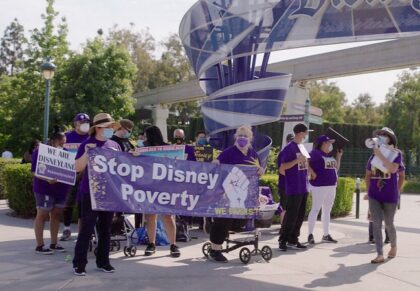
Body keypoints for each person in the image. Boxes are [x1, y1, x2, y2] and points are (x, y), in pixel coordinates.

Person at [72, 113, 121, 276]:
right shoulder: (86, 144)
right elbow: (77, 168)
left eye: (112, 127)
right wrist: (87, 153)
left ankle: (103, 262)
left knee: (106, 230)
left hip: (109, 194)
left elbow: (123, 167)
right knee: (86, 229)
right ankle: (79, 264)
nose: (111, 130)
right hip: (90, 193)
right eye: (108, 127)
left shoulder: (114, 144)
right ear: (98, 128)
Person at [209, 125, 264, 262]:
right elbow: (217, 163)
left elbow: (257, 174)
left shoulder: (253, 154)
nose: (242, 138)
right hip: (226, 193)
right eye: (240, 135)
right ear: (235, 137)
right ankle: (215, 249)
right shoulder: (229, 152)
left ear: (250, 138)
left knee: (240, 222)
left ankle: (214, 232)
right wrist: (215, 162)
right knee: (224, 220)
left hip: (245, 195)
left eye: (245, 136)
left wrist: (261, 171)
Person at [365, 127, 404, 264]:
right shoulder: (372, 156)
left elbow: (394, 170)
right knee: (376, 223)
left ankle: (393, 246)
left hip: (390, 196)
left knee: (388, 223)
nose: (381, 137)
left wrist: (397, 191)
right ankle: (379, 254)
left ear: (390, 138)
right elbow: (368, 176)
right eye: (379, 135)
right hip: (374, 195)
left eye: (384, 135)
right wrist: (368, 191)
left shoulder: (396, 154)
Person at [142, 125, 181, 258]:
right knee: (150, 216)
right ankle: (151, 244)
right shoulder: (143, 150)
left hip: (166, 188)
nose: (143, 138)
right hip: (149, 187)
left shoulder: (169, 149)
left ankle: (173, 244)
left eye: (146, 136)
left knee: (168, 216)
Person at [31, 127, 69, 254]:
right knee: (42, 214)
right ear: (53, 141)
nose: (63, 146)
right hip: (44, 188)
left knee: (56, 214)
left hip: (61, 189)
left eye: (64, 143)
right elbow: (34, 172)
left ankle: (54, 243)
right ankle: (40, 245)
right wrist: (47, 179)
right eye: (61, 143)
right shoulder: (40, 151)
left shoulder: (66, 152)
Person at [278, 123, 314, 251]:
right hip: (294, 187)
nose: (306, 134)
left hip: (304, 186)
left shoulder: (302, 147)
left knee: (299, 215)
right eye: (305, 132)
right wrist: (296, 161)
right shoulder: (289, 148)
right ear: (300, 133)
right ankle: (283, 240)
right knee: (291, 215)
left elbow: (305, 163)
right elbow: (283, 168)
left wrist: (308, 173)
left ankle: (293, 239)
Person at [307, 135, 343, 244]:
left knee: (327, 211)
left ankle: (326, 235)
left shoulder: (328, 155)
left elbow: (335, 168)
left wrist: (339, 156)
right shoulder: (315, 153)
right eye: (328, 142)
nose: (330, 144)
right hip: (319, 186)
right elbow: (305, 161)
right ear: (323, 143)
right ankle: (310, 235)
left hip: (331, 186)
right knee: (315, 209)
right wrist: (312, 172)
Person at [60, 113, 90, 241]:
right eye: (81, 122)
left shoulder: (91, 137)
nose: (84, 124)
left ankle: (82, 232)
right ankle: (66, 229)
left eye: (86, 122)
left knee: (83, 204)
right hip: (70, 175)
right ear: (75, 123)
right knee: (68, 203)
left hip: (87, 176)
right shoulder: (67, 136)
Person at [277, 133, 295, 224]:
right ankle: (283, 226)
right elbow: (281, 170)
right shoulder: (283, 153)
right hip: (285, 184)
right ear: (286, 141)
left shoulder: (295, 153)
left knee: (291, 207)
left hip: (292, 185)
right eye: (290, 140)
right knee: (284, 207)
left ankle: (287, 226)